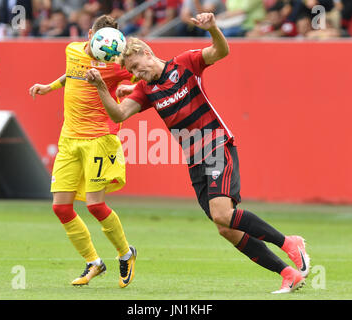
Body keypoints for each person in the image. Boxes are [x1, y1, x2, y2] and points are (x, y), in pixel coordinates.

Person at [86, 12, 310, 294]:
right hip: (194, 160)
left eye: (137, 67)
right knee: (225, 228)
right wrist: (100, 88)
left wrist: (213, 28)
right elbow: (119, 112)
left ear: (146, 51)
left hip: (216, 145)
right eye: (132, 72)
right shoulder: (145, 90)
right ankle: (288, 273)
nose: (137, 74)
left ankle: (290, 243)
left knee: (222, 213)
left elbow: (221, 51)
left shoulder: (185, 62)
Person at [28, 15, 137, 288]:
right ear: (90, 34)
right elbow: (72, 73)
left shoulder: (116, 63)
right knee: (61, 207)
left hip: (98, 139)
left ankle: (126, 253)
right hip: (69, 140)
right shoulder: (73, 49)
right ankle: (93, 262)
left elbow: (147, 78)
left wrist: (129, 88)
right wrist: (49, 86)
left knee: (95, 205)